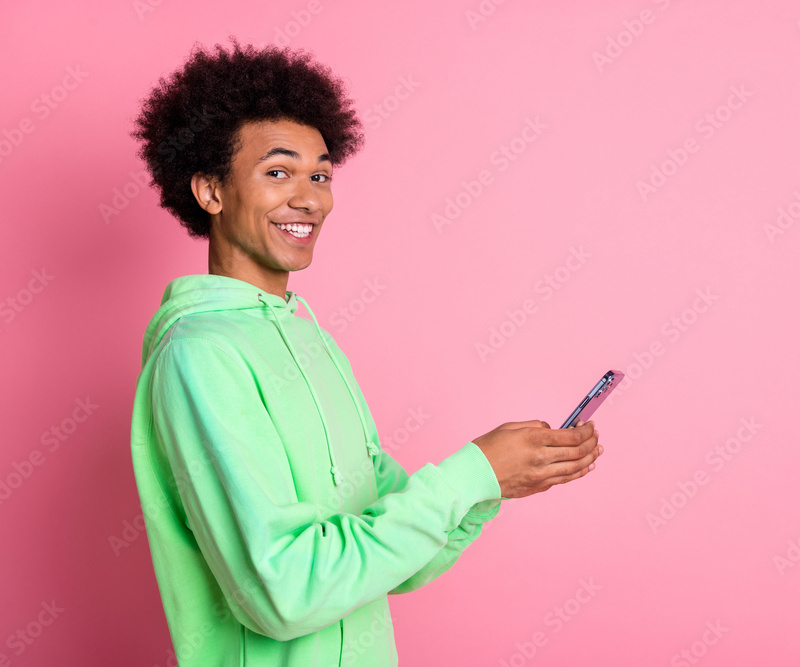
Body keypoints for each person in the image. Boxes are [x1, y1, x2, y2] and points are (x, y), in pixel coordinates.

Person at [128, 37, 602, 666]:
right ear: (211, 191)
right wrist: (473, 473)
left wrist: (494, 483)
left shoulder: (313, 341)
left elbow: (398, 560)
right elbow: (286, 595)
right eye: (277, 172)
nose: (309, 198)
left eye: (320, 174)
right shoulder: (199, 356)